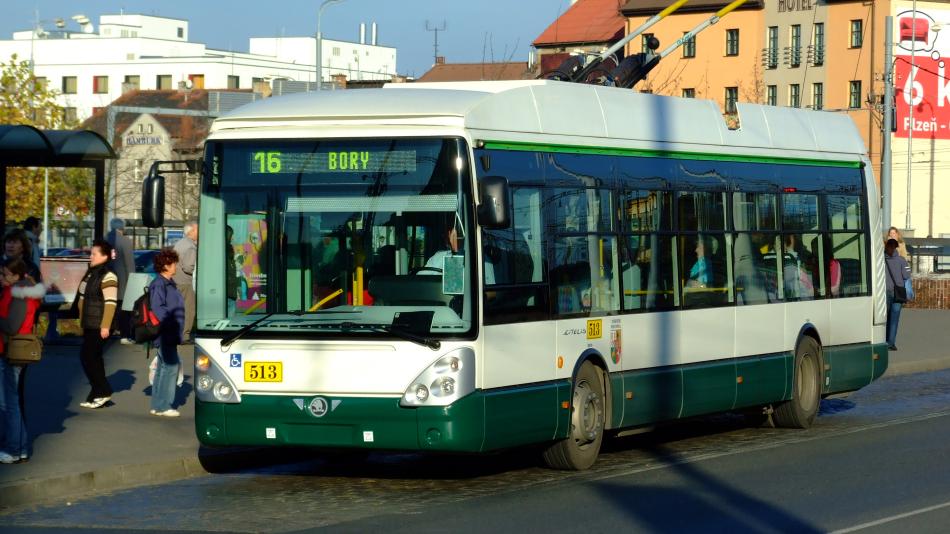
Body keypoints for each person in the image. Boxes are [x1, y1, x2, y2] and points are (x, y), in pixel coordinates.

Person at [0, 258, 46, 463]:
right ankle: (20, 447)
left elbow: (12, 326)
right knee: (11, 402)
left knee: (10, 403)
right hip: (16, 350)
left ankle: (15, 448)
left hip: (11, 351)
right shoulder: (25, 291)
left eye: (5, 275)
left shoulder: (17, 294)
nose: (2, 278)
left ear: (17, 276)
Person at [76, 240, 118, 409]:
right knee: (93, 357)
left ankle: (103, 391)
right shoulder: (91, 273)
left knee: (88, 356)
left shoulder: (108, 275)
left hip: (100, 324)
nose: (91, 256)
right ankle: (96, 394)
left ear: (105, 256)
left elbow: (110, 302)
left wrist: (105, 326)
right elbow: (82, 297)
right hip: (89, 322)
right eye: (91, 253)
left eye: (94, 254)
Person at [148, 248, 185, 417]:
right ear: (166, 265)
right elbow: (157, 307)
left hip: (168, 331)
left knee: (163, 368)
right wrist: (170, 323)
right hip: (166, 332)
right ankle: (164, 405)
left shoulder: (166, 283)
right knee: (170, 367)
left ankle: (158, 405)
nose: (176, 266)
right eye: (173, 263)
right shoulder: (160, 284)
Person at [106, 218, 135, 343]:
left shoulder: (103, 239)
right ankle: (124, 335)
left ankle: (108, 331)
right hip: (122, 279)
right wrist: (132, 280)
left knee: (109, 306)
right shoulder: (125, 241)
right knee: (125, 308)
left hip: (106, 277)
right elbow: (129, 264)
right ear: (122, 228)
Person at [172, 222, 197, 342]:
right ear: (191, 231)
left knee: (178, 309)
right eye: (197, 229)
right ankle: (184, 336)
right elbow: (188, 267)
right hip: (185, 282)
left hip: (175, 280)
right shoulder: (190, 246)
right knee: (188, 309)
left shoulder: (180, 243)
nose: (199, 232)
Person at [885, 238, 911, 351]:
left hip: (884, 292)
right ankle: (891, 343)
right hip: (898, 292)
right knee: (894, 320)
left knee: (884, 319)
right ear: (896, 247)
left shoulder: (880, 260)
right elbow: (906, 276)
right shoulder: (901, 260)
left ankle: (883, 342)